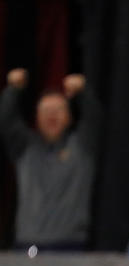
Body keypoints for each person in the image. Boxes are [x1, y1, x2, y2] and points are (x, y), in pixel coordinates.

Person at [0, 68, 101, 251]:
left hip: (72, 247)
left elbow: (95, 119)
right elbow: (7, 121)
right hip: (28, 247)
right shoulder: (25, 148)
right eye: (46, 110)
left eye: (58, 110)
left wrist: (83, 91)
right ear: (36, 117)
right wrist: (12, 89)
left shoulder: (82, 146)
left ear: (69, 117)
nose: (51, 115)